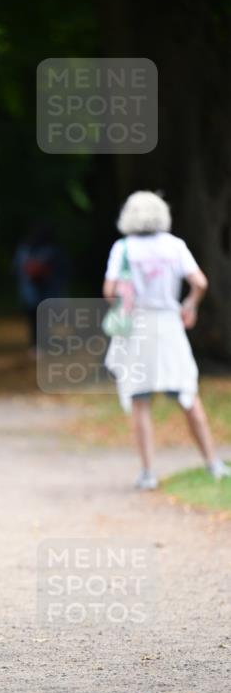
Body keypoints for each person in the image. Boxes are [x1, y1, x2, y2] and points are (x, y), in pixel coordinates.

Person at [103, 190, 230, 490]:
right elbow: (199, 282)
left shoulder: (122, 249)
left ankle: (148, 472)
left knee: (139, 400)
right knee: (187, 394)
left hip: (137, 328)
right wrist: (190, 305)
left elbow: (109, 291)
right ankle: (212, 462)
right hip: (168, 325)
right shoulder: (175, 246)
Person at [13, 222, 68, 354]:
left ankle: (36, 346)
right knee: (43, 321)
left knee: (34, 321)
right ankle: (40, 345)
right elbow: (64, 271)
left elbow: (16, 269)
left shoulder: (24, 250)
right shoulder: (54, 251)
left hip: (29, 294)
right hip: (45, 294)